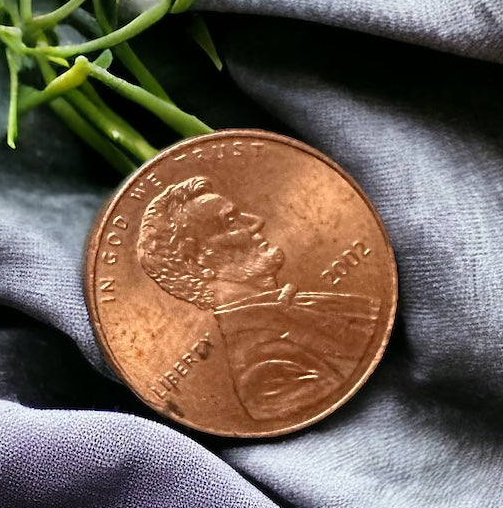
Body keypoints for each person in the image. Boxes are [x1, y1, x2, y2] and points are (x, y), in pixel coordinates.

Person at [137, 176, 381, 421]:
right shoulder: (263, 374)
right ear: (197, 262)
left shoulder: (297, 305)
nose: (256, 222)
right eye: (231, 221)